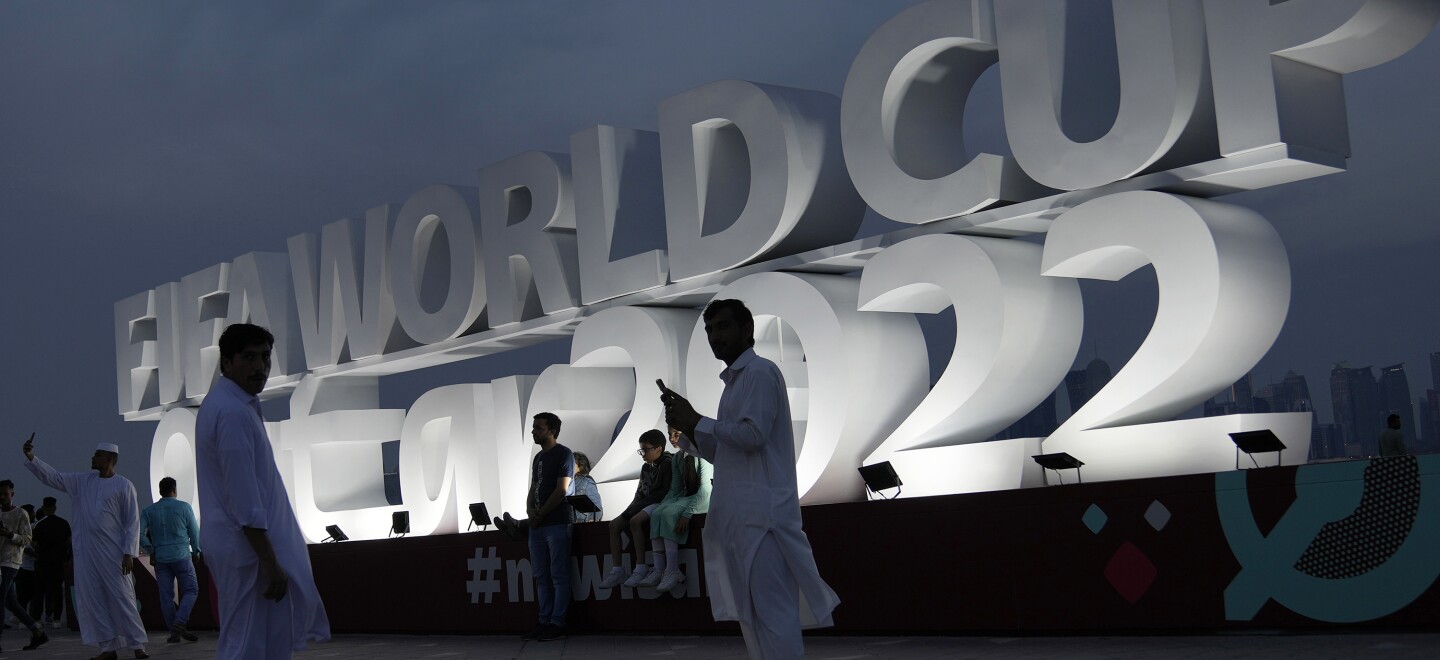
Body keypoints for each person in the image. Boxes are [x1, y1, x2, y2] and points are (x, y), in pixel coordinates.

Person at [661, 299, 839, 660]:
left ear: (746, 330)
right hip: (741, 520)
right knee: (753, 617)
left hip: (763, 520)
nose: (714, 336)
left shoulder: (759, 372)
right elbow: (728, 450)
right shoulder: (734, 383)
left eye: (723, 326)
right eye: (710, 329)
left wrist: (696, 420)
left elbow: (753, 435)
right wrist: (689, 431)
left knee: (773, 614)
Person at [195, 323, 330, 659]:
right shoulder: (232, 413)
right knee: (247, 644)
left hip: (245, 547)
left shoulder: (231, 405)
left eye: (265, 357)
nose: (260, 367)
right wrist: (270, 562)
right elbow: (244, 499)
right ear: (227, 363)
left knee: (260, 640)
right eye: (249, 357)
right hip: (248, 552)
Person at [23, 436, 148, 659]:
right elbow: (54, 477)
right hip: (87, 554)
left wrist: (129, 552)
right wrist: (32, 458)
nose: (92, 458)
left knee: (123, 597)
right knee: (94, 600)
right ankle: (108, 648)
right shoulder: (82, 481)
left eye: (97, 455)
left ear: (109, 459)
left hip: (114, 553)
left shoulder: (124, 485)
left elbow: (132, 521)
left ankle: (138, 645)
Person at [519, 412, 575, 642]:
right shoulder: (538, 458)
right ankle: (544, 621)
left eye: (538, 428)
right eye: (534, 427)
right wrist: (529, 510)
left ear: (552, 431)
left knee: (558, 575)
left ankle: (557, 622)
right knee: (541, 576)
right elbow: (534, 486)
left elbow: (562, 490)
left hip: (557, 522)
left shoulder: (564, 454)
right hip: (539, 525)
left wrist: (539, 514)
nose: (534, 431)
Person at [598, 430, 673, 589]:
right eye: (641, 450)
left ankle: (640, 567)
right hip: (645, 503)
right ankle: (617, 570)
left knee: (635, 521)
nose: (642, 454)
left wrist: (634, 510)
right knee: (613, 525)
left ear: (659, 449)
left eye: (645, 450)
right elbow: (639, 494)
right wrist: (629, 510)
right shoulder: (646, 467)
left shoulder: (668, 463)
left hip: (661, 503)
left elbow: (661, 493)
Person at [649, 427, 713, 594]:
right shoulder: (678, 457)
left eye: (676, 434)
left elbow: (706, 489)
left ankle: (672, 569)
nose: (672, 438)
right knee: (657, 514)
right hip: (687, 497)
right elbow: (675, 489)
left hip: (703, 498)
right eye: (670, 434)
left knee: (668, 513)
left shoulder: (702, 455)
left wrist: (687, 513)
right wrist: (661, 506)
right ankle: (659, 568)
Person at [139, 477, 201, 643]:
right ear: (174, 490)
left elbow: (139, 534)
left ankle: (174, 632)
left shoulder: (149, 511)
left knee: (166, 596)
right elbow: (194, 532)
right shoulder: (184, 507)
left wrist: (151, 550)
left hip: (161, 558)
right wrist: (196, 551)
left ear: (160, 491)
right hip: (181, 555)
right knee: (191, 590)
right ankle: (179, 622)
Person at [492, 451, 602, 539]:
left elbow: (598, 509)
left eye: (572, 463)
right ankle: (513, 528)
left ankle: (516, 526)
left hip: (576, 521)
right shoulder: (564, 481)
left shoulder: (587, 482)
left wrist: (590, 520)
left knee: (546, 520)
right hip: (563, 518)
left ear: (580, 466)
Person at [0, 481, 47, 651]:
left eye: (5, 494)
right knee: (11, 602)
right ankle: (37, 632)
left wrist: (10, 534)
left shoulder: (20, 513)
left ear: (12, 494)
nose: (2, 497)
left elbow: (27, 539)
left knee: (1, 599)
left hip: (10, 561)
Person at [29, 496, 69, 629]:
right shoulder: (64, 523)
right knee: (57, 591)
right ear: (55, 507)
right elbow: (68, 542)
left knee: (39, 591)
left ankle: (37, 619)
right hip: (58, 562)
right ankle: (56, 619)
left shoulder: (39, 524)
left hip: (42, 562)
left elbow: (34, 543)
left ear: (43, 507)